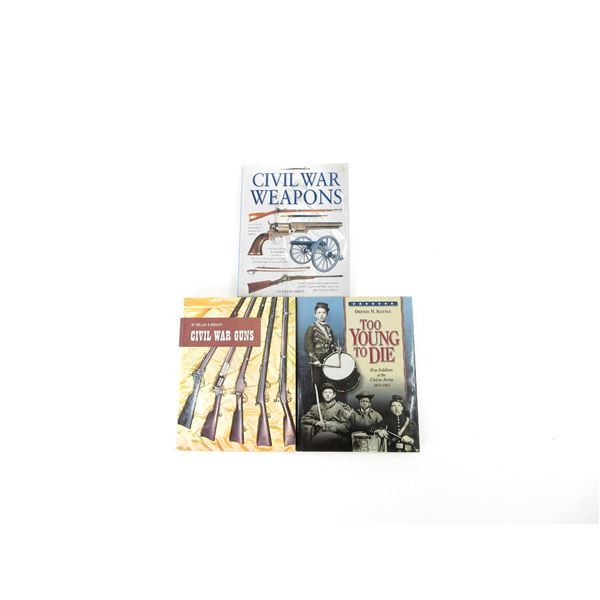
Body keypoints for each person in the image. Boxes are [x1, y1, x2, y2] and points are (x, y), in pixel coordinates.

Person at [301, 382, 352, 450]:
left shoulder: (340, 407)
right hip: (321, 434)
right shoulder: (316, 407)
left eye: (330, 393)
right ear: (322, 394)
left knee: (319, 439)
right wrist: (316, 422)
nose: (327, 394)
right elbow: (304, 419)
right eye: (325, 392)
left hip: (337, 436)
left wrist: (334, 427)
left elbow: (348, 426)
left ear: (334, 395)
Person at [303, 302, 336, 389]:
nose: (321, 315)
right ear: (315, 315)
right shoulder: (312, 327)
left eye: (324, 312)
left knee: (328, 381)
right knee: (317, 381)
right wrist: (314, 359)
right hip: (317, 359)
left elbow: (332, 343)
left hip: (328, 358)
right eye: (319, 312)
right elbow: (308, 344)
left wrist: (336, 351)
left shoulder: (329, 328)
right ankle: (316, 397)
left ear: (327, 315)